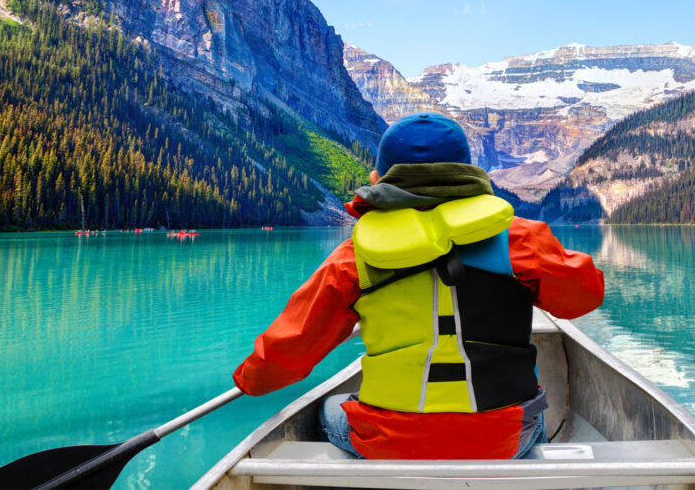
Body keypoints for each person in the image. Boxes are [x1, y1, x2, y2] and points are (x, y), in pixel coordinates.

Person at [233, 112, 605, 460]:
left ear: (379, 178)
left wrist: (249, 380)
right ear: (468, 174)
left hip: (388, 439)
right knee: (535, 414)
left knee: (330, 408)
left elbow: (287, 352)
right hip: (504, 439)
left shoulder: (352, 257)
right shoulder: (519, 239)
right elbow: (585, 297)